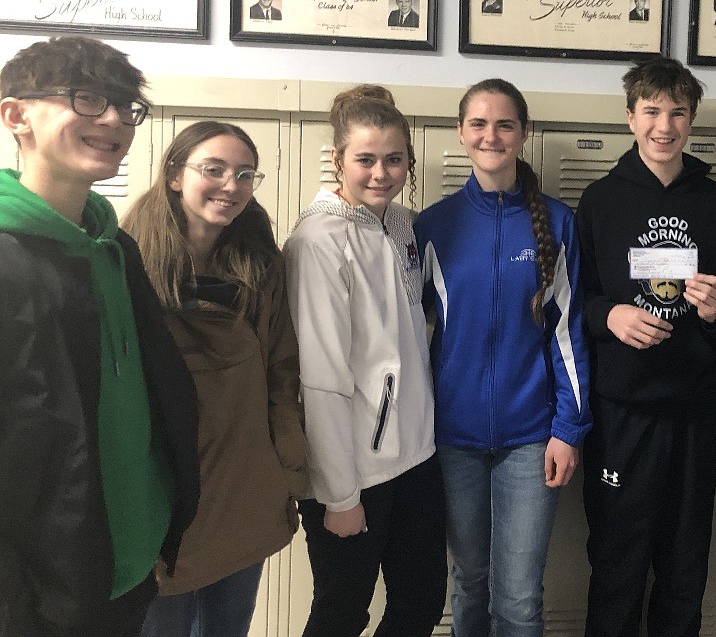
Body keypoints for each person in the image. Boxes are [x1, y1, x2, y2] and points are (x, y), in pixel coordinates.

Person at [0, 36, 199, 637]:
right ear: (16, 115)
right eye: (86, 99)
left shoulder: (116, 248)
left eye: (124, 106)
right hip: (40, 592)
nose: (112, 119)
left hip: (129, 563)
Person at [577, 57, 716, 637]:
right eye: (651, 111)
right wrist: (611, 315)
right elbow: (575, 301)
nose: (664, 125)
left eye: (677, 112)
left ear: (692, 120)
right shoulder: (601, 202)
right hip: (622, 413)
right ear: (630, 118)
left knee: (684, 566)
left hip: (695, 412)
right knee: (617, 563)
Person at [414, 79, 591, 637]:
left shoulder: (558, 224)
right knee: (468, 583)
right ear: (461, 133)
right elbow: (408, 336)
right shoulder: (433, 226)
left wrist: (569, 428)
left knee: (517, 597)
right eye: (479, 124)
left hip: (531, 438)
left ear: (523, 134)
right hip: (452, 439)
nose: (491, 135)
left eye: (505, 124)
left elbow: (568, 334)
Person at [125, 123, 305, 637]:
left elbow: (281, 375)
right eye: (215, 169)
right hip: (164, 487)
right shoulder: (128, 260)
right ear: (176, 175)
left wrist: (287, 471)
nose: (231, 185)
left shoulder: (260, 266)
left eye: (245, 175)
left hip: (244, 481)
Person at [284, 85, 446, 637]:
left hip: (415, 455)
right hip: (353, 468)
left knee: (422, 601)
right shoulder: (318, 242)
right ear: (338, 160)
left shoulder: (400, 226)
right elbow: (321, 378)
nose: (381, 173)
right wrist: (340, 494)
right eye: (366, 159)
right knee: (341, 611)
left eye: (394, 159)